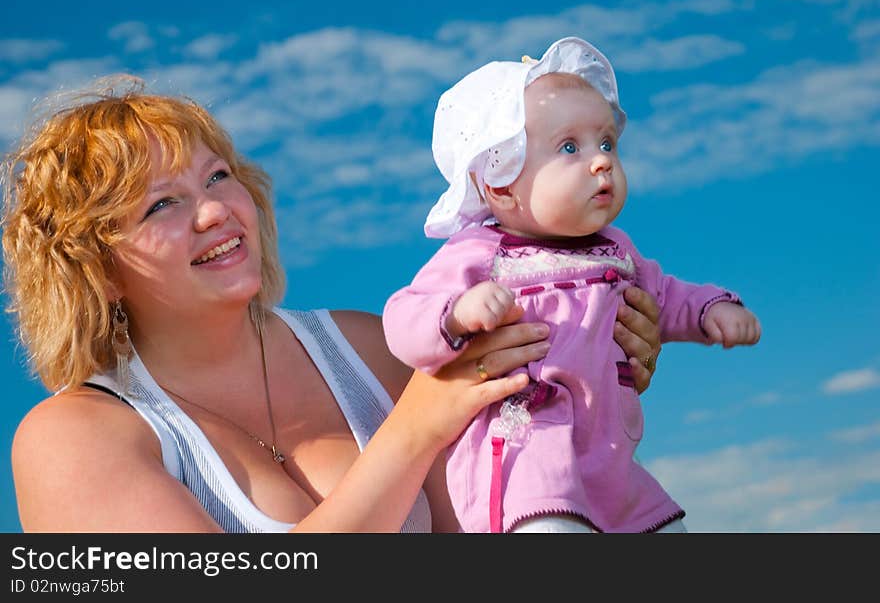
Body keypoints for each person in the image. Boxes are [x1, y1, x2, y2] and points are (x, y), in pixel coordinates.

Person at [1, 74, 664, 533]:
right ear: (96, 268)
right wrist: (415, 429)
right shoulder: (72, 439)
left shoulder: (372, 347)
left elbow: (519, 508)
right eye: (161, 204)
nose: (214, 211)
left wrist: (596, 365)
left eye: (219, 175)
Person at [382, 36, 762, 533]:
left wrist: (711, 309)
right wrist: (456, 314)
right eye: (569, 147)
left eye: (607, 143)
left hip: (611, 461)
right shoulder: (480, 255)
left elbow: (665, 296)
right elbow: (402, 318)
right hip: (530, 461)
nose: (601, 161)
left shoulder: (617, 251)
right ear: (499, 181)